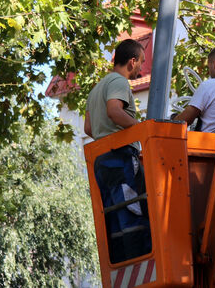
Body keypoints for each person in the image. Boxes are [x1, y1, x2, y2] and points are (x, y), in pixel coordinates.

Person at [84, 38, 151, 262]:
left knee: (113, 216)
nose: (141, 67)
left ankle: (123, 266)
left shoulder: (95, 90)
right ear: (132, 61)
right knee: (132, 211)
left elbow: (88, 128)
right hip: (120, 158)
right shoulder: (119, 82)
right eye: (141, 62)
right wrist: (140, 129)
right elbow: (114, 111)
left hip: (102, 162)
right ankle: (139, 262)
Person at [174, 45, 215, 133]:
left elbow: (183, 121)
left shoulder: (209, 85)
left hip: (209, 140)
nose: (208, 71)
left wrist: (174, 119)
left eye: (208, 67)